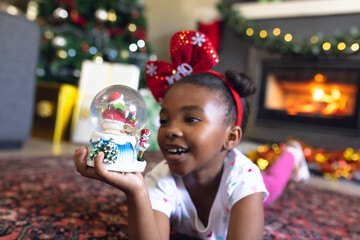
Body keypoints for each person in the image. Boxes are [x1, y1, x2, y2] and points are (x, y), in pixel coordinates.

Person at [74, 30, 309, 240]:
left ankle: (292, 153)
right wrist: (136, 190)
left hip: (244, 179)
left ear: (231, 138)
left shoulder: (245, 181)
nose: (171, 130)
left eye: (191, 119)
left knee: (274, 185)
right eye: (164, 120)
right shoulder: (160, 179)